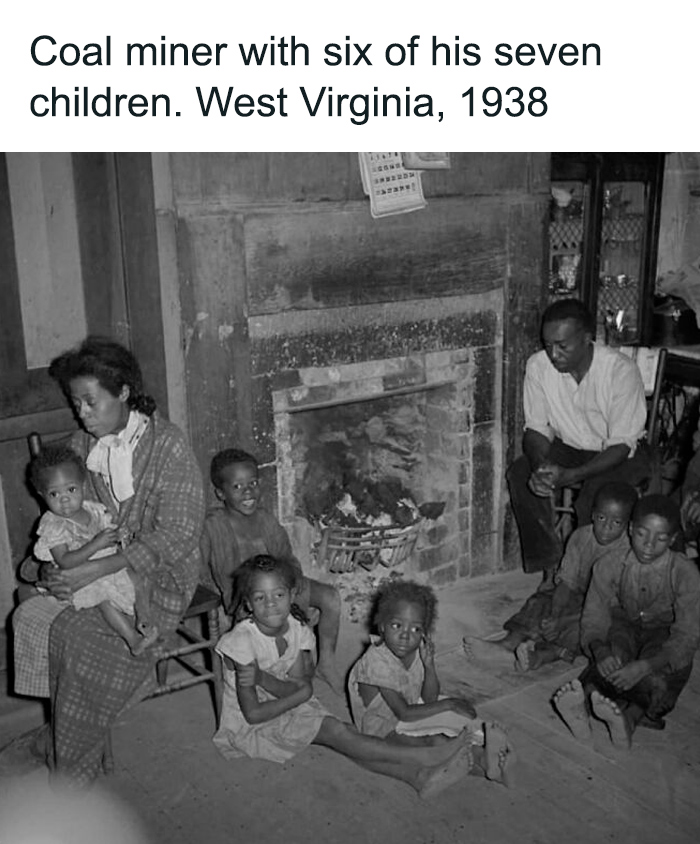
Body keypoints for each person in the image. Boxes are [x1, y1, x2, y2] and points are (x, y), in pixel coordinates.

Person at [1, 336, 205, 788]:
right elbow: (61, 525)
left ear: (124, 392)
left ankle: (71, 775)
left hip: (158, 577)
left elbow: (179, 534)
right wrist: (52, 571)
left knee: (75, 637)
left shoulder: (168, 447)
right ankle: (61, 735)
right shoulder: (81, 446)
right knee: (29, 610)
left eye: (91, 402)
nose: (82, 414)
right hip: (93, 568)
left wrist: (93, 570)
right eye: (76, 403)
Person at [213, 554, 482, 799]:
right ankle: (425, 756)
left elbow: (298, 687)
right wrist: (297, 692)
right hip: (254, 725)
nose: (271, 604)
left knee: (348, 736)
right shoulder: (241, 643)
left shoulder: (297, 630)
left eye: (279, 594)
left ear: (292, 595)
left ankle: (417, 776)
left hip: (289, 705)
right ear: (248, 603)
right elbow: (254, 714)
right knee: (338, 732)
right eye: (260, 598)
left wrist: (281, 686)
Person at [507, 298, 650, 585]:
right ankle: (550, 568)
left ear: (587, 339)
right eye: (548, 345)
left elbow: (622, 445)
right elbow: (536, 429)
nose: (553, 354)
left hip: (618, 454)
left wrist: (571, 475)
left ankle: (587, 579)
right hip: (570, 445)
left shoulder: (620, 370)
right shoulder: (538, 366)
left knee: (596, 498)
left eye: (562, 346)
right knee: (521, 474)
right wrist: (541, 467)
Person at [552, 494, 700, 748]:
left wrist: (645, 666)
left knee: (664, 674)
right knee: (613, 657)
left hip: (664, 633)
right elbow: (594, 617)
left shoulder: (685, 572)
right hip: (626, 624)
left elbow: (687, 636)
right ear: (631, 529)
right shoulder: (608, 564)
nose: (649, 545)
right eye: (642, 534)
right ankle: (584, 705)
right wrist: (600, 650)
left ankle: (629, 719)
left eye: (660, 538)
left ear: (673, 539)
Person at [200, 447, 343, 693]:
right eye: (237, 486)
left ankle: (327, 663)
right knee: (264, 629)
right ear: (220, 493)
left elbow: (286, 557)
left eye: (253, 483)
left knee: (330, 597)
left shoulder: (265, 519)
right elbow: (201, 570)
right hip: (245, 600)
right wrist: (222, 602)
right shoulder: (213, 526)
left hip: (280, 586)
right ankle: (272, 675)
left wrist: (293, 584)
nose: (248, 492)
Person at [347, 580, 513, 785]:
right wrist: (449, 704)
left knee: (458, 725)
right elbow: (404, 713)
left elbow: (429, 698)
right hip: (381, 727)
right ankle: (484, 761)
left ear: (423, 632)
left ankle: (489, 759)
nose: (405, 636)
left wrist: (429, 665)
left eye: (415, 629)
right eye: (396, 625)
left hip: (409, 708)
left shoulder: (416, 650)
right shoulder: (376, 661)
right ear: (382, 626)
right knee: (436, 744)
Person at [463, 482, 637, 670]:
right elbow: (566, 583)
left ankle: (542, 655)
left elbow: (606, 609)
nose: (606, 527)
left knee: (595, 632)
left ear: (628, 525)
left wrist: (563, 621)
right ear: (593, 514)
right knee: (540, 602)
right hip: (577, 596)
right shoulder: (580, 537)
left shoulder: (628, 554)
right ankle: (507, 644)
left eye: (616, 523)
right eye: (601, 518)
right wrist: (554, 615)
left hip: (604, 610)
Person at [28, 444, 158, 657]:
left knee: (138, 577)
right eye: (54, 494)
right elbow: (65, 561)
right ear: (42, 495)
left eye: (71, 490)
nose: (64, 499)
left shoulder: (93, 510)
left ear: (83, 486)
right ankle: (132, 639)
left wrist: (117, 535)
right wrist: (96, 544)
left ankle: (143, 618)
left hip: (107, 565)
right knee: (103, 598)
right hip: (80, 576)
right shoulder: (54, 525)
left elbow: (109, 538)